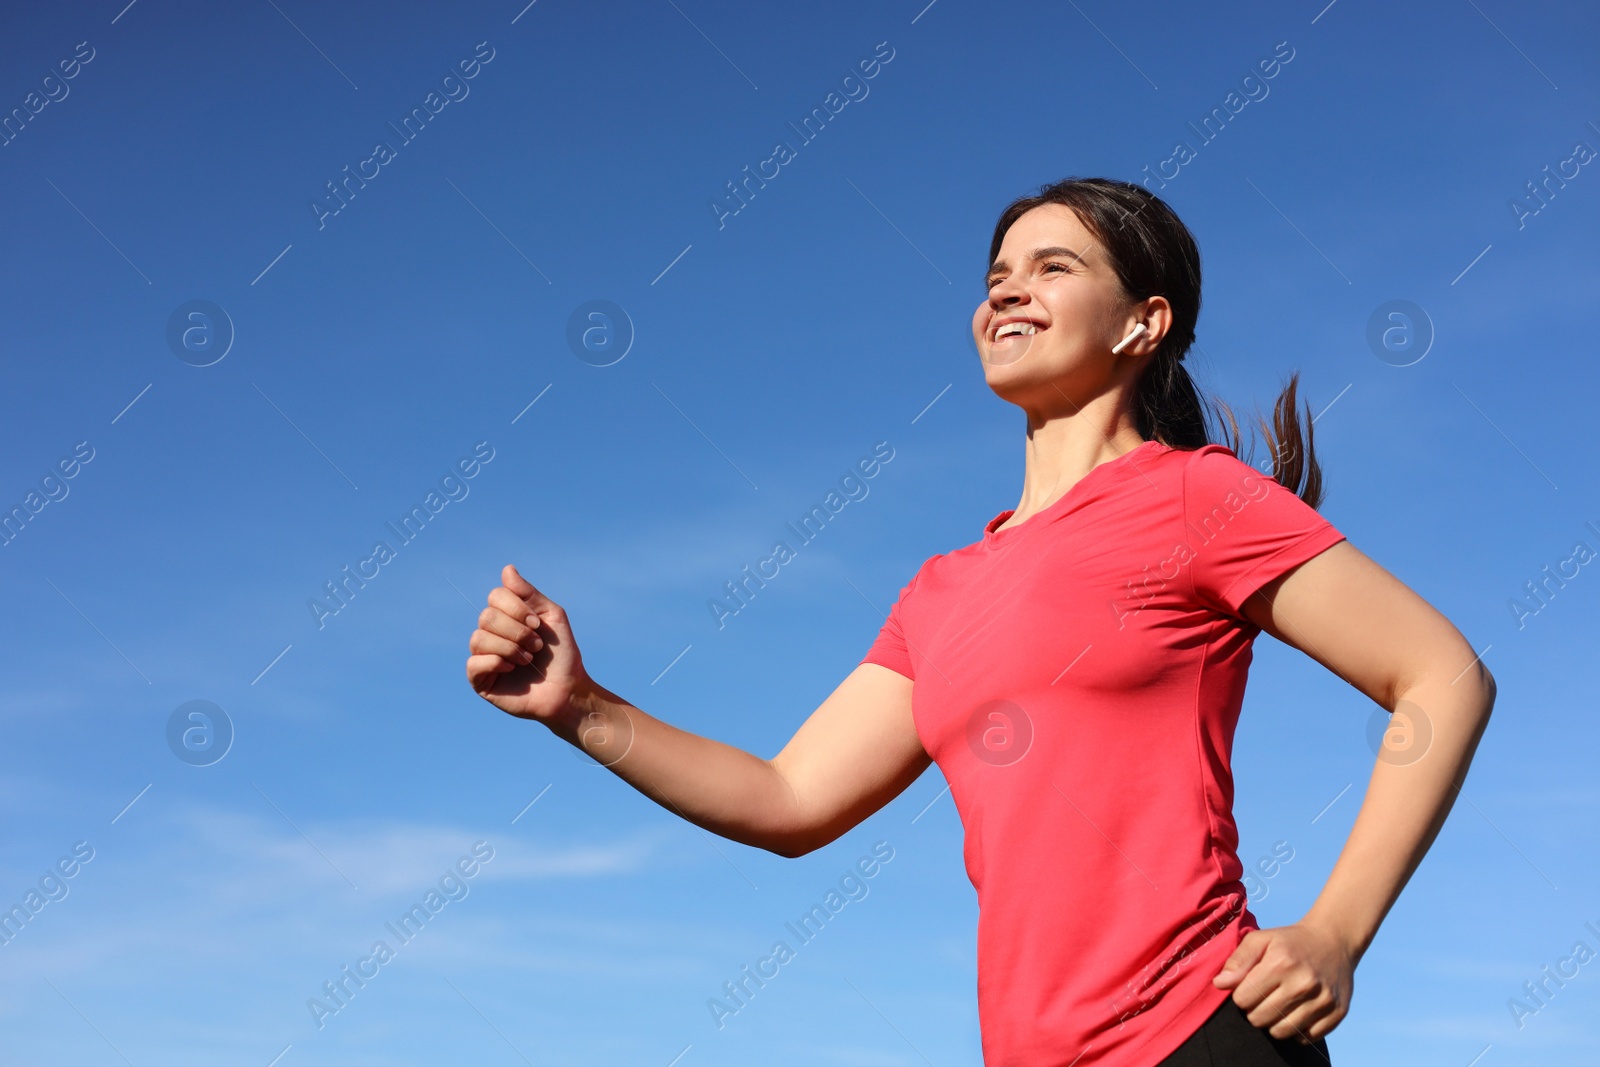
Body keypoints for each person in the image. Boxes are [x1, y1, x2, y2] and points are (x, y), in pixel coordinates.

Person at [464, 177, 1496, 1066]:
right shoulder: (941, 588)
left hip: (1200, 1030)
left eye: (1053, 267)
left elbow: (1440, 672)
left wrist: (1334, 931)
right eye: (998, 270)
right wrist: (584, 708)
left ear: (1143, 322)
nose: (1007, 287)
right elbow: (789, 799)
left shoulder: (1196, 500)